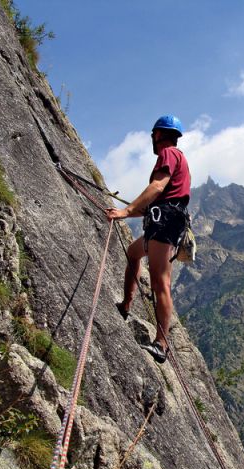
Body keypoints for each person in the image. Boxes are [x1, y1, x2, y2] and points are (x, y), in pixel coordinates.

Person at [106, 115, 191, 363]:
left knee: (160, 282)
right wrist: (135, 210)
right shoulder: (178, 158)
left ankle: (161, 344)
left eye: (153, 135)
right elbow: (159, 197)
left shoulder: (169, 153)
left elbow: (157, 187)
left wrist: (124, 212)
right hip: (162, 220)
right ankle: (126, 304)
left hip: (165, 222)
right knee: (133, 253)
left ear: (158, 135)